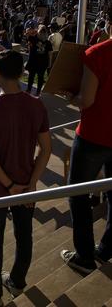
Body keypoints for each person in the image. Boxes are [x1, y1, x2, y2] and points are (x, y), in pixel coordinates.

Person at [0, 50, 51, 306]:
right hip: (27, 184)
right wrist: (31, 183)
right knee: (24, 235)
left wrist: (10, 186)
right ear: (22, 72)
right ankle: (17, 280)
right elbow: (45, 149)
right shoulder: (36, 104)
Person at [60, 30, 112, 275]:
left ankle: (84, 255)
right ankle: (106, 248)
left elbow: (87, 100)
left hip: (94, 136)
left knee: (77, 193)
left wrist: (72, 97)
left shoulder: (97, 54)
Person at [25, 25, 52, 96]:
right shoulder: (48, 42)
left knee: (32, 76)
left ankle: (29, 90)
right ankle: (37, 92)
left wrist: (35, 31)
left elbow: (27, 33)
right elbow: (50, 54)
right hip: (42, 62)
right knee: (40, 77)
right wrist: (49, 63)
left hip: (34, 61)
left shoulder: (33, 39)